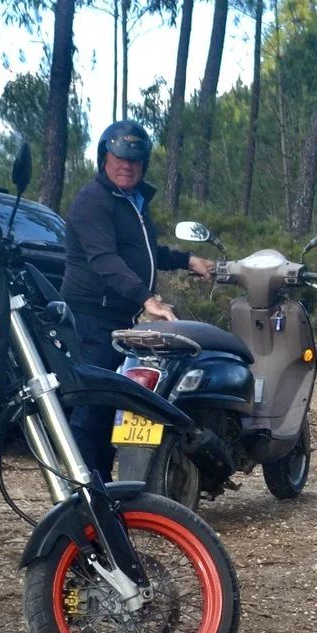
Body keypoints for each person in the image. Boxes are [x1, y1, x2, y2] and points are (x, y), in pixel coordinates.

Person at [59, 120, 213, 473]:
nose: (127, 166)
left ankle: (101, 491)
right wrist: (147, 299)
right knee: (91, 407)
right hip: (89, 318)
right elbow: (105, 260)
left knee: (109, 405)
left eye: (135, 160)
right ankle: (80, 491)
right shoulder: (93, 201)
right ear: (104, 158)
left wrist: (188, 260)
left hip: (115, 320)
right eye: (119, 158)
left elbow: (141, 250)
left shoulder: (132, 200)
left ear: (144, 164)